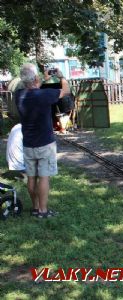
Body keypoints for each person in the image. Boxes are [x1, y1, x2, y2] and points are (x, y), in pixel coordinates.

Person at [15, 63, 69, 218]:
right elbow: (65, 91)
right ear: (36, 78)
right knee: (44, 176)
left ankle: (35, 208)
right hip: (45, 143)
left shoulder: (19, 95)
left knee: (31, 177)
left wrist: (43, 80)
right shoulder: (44, 95)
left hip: (28, 144)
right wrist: (60, 76)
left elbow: (32, 90)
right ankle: (43, 211)